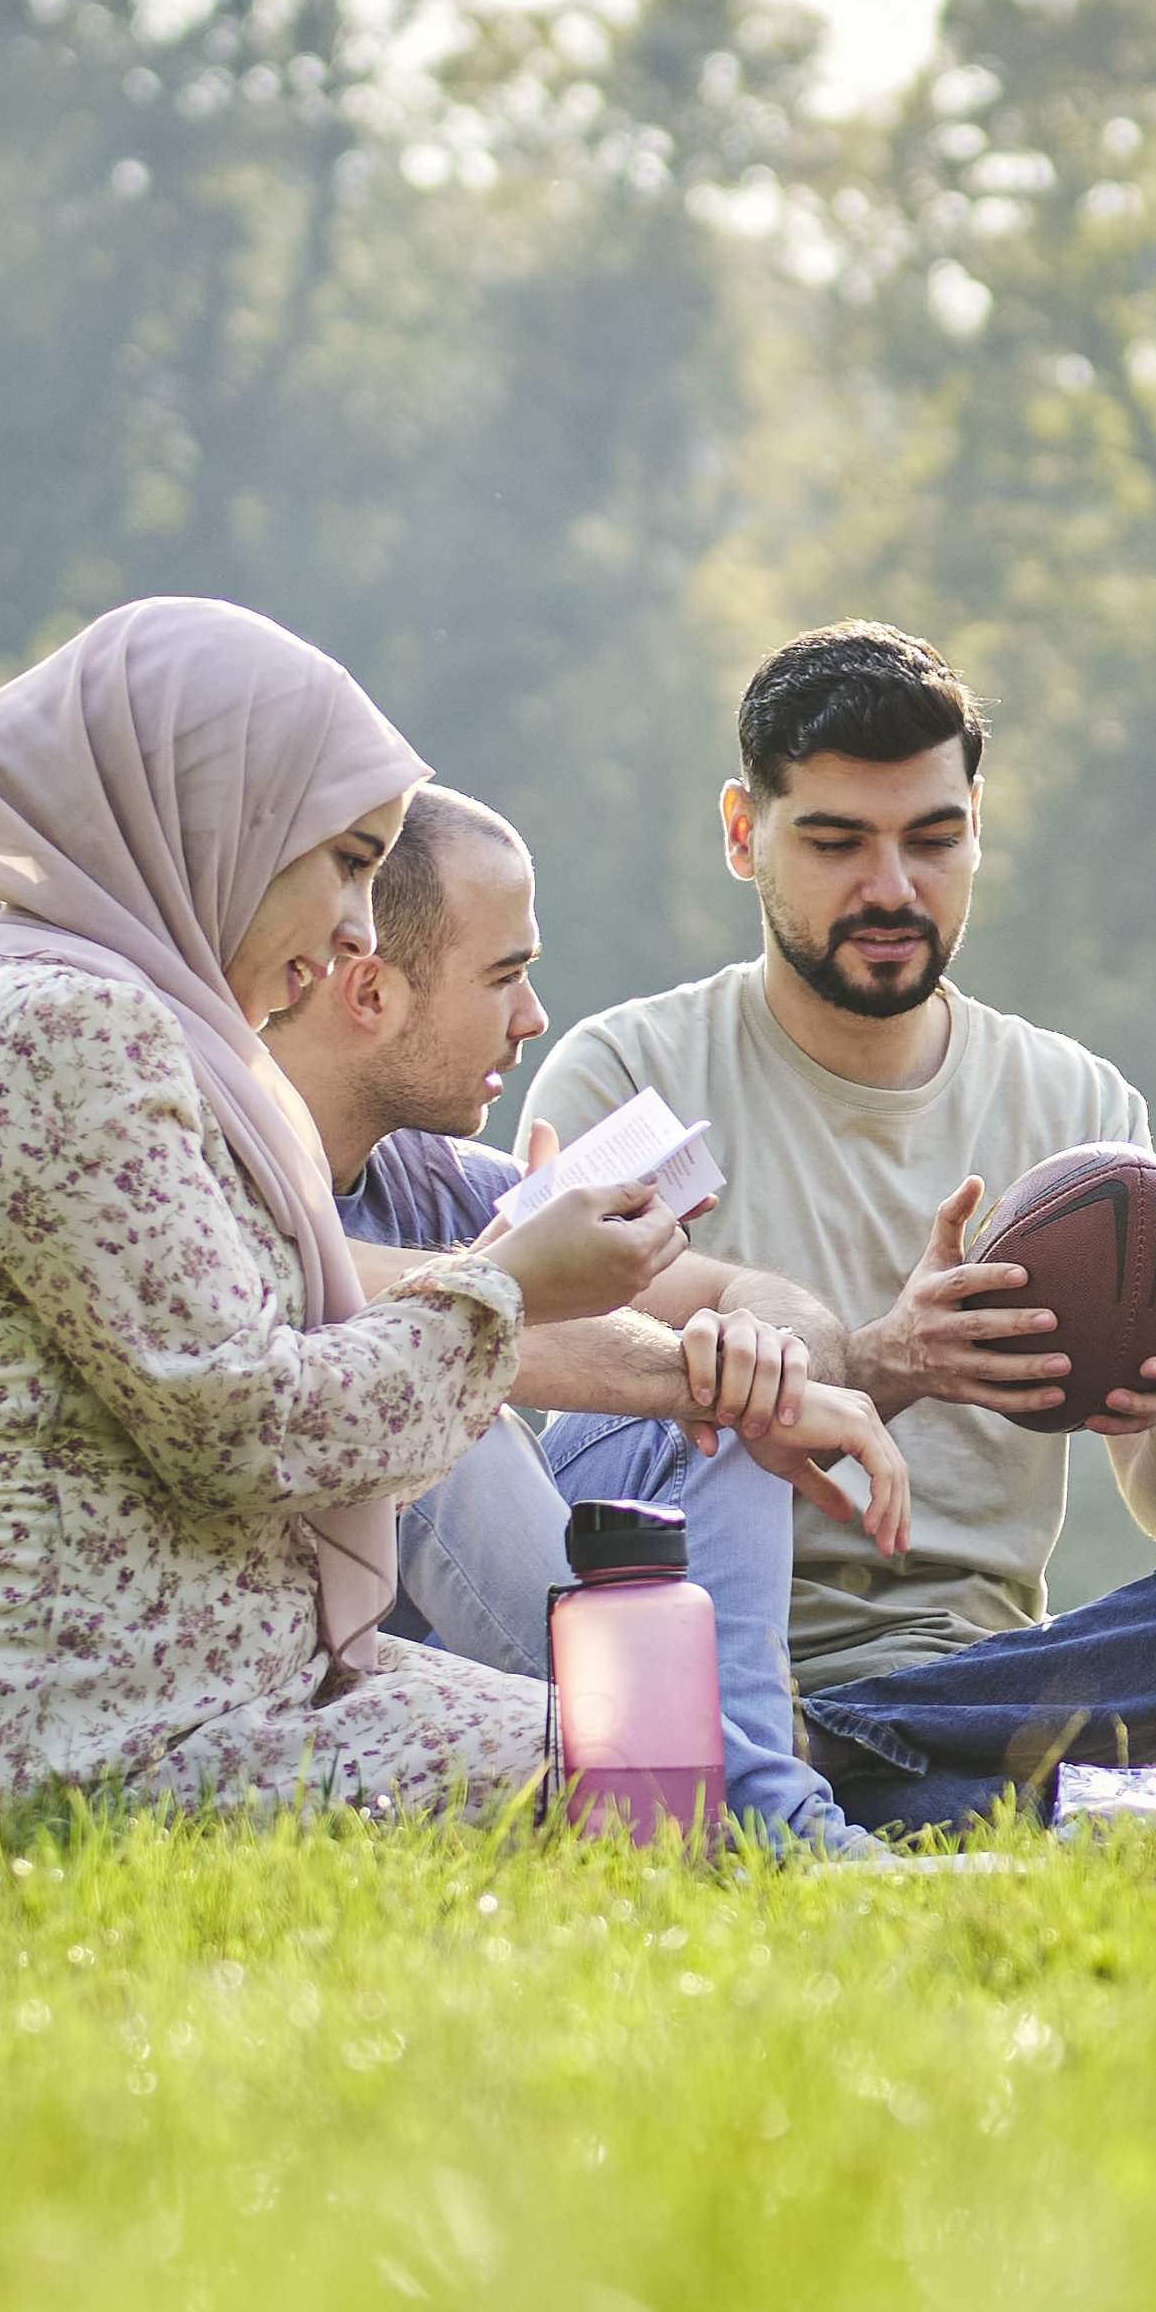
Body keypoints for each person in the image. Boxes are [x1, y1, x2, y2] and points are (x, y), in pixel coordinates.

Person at [0, 598, 685, 1827]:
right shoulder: (69, 1030)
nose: (357, 929)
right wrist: (504, 1287)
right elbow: (242, 1422)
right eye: (345, 860)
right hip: (68, 1739)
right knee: (628, 1774)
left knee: (646, 1747)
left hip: (166, 1696)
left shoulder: (101, 1013)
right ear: (215, 818)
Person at [520, 624, 1156, 1835]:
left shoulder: (1080, 1110)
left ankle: (878, 1769)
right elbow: (577, 1419)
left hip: (995, 1670)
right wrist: (886, 1363)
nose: (892, 887)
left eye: (933, 839)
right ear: (741, 831)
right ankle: (995, 1792)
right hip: (717, 1661)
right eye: (836, 842)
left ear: (979, 823)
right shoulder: (629, 1074)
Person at [264, 784, 908, 1847]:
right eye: (506, 975)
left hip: (492, 1645)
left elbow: (742, 1292)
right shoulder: (221, 1187)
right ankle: (717, 1814)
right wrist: (684, 1364)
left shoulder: (440, 1178)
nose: (533, 1016)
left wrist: (754, 1343)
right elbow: (356, 1300)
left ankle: (771, 1816)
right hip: (308, 1678)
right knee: (432, 1379)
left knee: (722, 1385)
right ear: (371, 991)